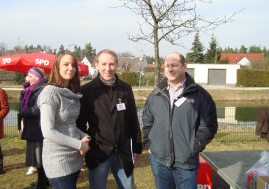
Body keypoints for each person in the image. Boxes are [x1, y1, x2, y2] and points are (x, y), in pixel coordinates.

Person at [142, 52, 218, 189]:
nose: (170, 69)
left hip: (186, 161)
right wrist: (149, 144)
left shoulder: (199, 95)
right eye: (167, 66)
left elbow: (209, 125)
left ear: (184, 66)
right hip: (159, 160)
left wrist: (194, 147)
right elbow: (147, 119)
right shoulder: (156, 93)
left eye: (174, 65)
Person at [77, 49, 143, 189]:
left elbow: (133, 119)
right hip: (98, 151)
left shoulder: (125, 89)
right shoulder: (87, 91)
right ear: (96, 65)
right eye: (104, 64)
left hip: (123, 152)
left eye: (111, 64)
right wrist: (84, 142)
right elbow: (80, 123)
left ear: (117, 64)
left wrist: (137, 146)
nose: (108, 68)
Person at [37, 51, 90, 189]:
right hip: (57, 160)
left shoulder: (71, 92)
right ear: (57, 67)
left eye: (73, 65)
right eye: (66, 64)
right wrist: (79, 145)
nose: (70, 68)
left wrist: (84, 136)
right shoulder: (50, 93)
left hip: (75, 159)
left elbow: (70, 124)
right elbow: (48, 131)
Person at [17, 67, 49, 189]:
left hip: (38, 127)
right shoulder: (31, 89)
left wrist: (23, 113)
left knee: (39, 156)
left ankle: (41, 183)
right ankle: (43, 181)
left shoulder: (40, 90)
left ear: (36, 78)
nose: (27, 78)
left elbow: (37, 109)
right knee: (38, 155)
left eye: (30, 76)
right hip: (33, 127)